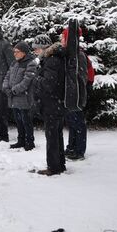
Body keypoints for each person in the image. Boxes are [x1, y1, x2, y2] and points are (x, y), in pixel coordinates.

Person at [32, 34, 66, 176]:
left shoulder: (51, 61)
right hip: (55, 103)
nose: (34, 51)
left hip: (52, 103)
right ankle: (59, 164)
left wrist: (36, 78)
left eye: (36, 49)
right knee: (56, 134)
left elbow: (49, 84)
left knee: (52, 136)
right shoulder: (53, 59)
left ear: (43, 48)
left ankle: (53, 166)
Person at [3, 41, 37, 151]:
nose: (14, 54)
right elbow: (7, 77)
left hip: (24, 98)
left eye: (17, 52)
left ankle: (29, 141)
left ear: (23, 53)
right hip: (14, 97)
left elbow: (27, 81)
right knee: (18, 120)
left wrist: (14, 90)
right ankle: (21, 140)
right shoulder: (14, 63)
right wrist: (6, 87)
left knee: (26, 120)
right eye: (14, 52)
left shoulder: (30, 63)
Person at [61, 27, 89, 161]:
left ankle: (79, 150)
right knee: (72, 122)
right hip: (70, 95)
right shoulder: (70, 54)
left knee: (78, 123)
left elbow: (81, 78)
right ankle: (71, 147)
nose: (61, 40)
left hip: (76, 96)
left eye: (63, 38)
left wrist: (76, 94)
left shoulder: (79, 55)